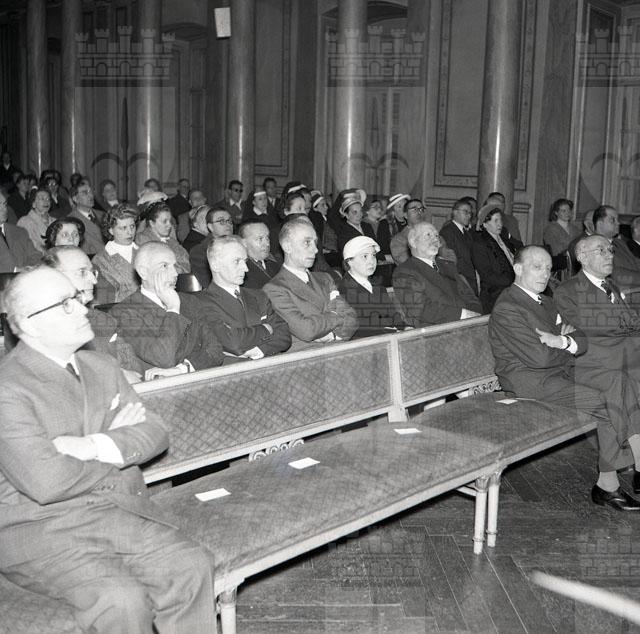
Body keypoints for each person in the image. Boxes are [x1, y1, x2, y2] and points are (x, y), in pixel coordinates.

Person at [0, 266, 216, 632]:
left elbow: (156, 433)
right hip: (40, 527)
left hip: (113, 511)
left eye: (77, 297)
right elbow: (48, 482)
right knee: (121, 600)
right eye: (65, 304)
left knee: (190, 565)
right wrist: (118, 446)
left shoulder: (100, 364)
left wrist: (94, 444)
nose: (83, 307)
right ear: (29, 324)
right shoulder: (8, 387)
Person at [489, 245, 640, 511]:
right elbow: (539, 359)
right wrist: (567, 345)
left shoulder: (546, 302)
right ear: (518, 268)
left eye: (548, 268)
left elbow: (581, 338)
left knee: (617, 380)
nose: (545, 274)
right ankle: (609, 484)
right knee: (605, 402)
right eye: (537, 267)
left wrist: (562, 341)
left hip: (558, 373)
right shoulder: (508, 307)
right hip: (531, 382)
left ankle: (617, 475)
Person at [554, 235, 640, 504]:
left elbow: (633, 323)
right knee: (622, 384)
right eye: (601, 250)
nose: (609, 254)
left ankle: (610, 480)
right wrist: (621, 326)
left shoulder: (612, 287)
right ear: (582, 257)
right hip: (589, 364)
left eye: (611, 250)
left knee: (626, 383)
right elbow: (589, 329)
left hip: (619, 360)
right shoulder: (568, 290)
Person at [109, 241, 224, 378]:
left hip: (198, 380)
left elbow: (216, 350)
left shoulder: (190, 301)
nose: (175, 273)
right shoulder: (124, 312)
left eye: (175, 266)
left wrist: (183, 368)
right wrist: (173, 309)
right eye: (164, 266)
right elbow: (163, 358)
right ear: (143, 272)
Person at [41, 246, 144, 383]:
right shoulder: (41, 328)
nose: (94, 280)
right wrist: (116, 375)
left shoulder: (103, 320)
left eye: (92, 272)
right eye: (82, 272)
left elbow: (134, 370)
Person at [264, 218, 358, 348]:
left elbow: (352, 318)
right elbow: (306, 330)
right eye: (307, 242)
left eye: (315, 243)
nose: (315, 250)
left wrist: (333, 336)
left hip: (337, 349)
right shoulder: (274, 288)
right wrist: (336, 315)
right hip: (307, 356)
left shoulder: (325, 279)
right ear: (287, 247)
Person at [195, 235, 290, 359]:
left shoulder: (259, 296)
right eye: (236, 261)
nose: (245, 269)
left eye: (245, 261)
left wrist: (259, 350)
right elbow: (232, 342)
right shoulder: (200, 302)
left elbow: (284, 336)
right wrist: (266, 328)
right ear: (215, 265)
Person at [393, 221, 481, 327]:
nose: (435, 239)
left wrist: (476, 313)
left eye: (436, 236)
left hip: (468, 323)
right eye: (428, 235)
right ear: (413, 242)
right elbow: (420, 309)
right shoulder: (405, 271)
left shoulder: (448, 265)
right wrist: (463, 314)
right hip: (436, 330)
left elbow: (469, 295)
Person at [338, 236, 407, 336]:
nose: (371, 261)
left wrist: (405, 328)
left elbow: (394, 317)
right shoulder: (343, 290)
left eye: (373, 255)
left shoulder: (378, 287)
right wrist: (395, 332)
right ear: (349, 261)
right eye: (365, 256)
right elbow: (360, 328)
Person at [472, 205, 521, 313]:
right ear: (485, 224)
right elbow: (487, 276)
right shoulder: (479, 244)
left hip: (512, 286)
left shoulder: (504, 238)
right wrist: (514, 281)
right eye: (495, 221)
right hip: (495, 292)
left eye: (500, 220)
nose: (500, 224)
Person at [92, 204, 140, 303]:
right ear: (111, 230)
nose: (130, 232)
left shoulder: (144, 252)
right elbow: (103, 299)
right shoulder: (100, 260)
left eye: (132, 226)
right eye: (123, 228)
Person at [592, 204, 640, 294]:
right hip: (617, 294)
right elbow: (614, 274)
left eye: (617, 220)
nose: (618, 223)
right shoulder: (593, 245)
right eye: (613, 220)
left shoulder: (619, 242)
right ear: (600, 224)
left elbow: (635, 261)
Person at [136, 201, 190, 274]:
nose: (169, 225)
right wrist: (177, 269)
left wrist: (180, 269)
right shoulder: (143, 240)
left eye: (170, 221)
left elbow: (187, 265)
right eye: (164, 221)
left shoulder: (172, 241)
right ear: (152, 223)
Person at [439, 198, 478, 295]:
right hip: (461, 281)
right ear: (455, 212)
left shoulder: (466, 232)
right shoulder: (448, 231)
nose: (469, 216)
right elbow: (451, 261)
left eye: (470, 213)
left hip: (471, 278)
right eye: (465, 212)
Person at [189, 207, 234, 287]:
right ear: (210, 227)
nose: (228, 224)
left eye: (229, 221)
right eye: (221, 221)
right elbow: (208, 283)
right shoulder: (200, 252)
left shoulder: (238, 246)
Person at [0, 189, 41, 271]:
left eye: (4, 204)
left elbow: (36, 255)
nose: (4, 209)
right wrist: (15, 270)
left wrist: (25, 269)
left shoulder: (20, 231)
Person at [238, 220, 282, 288]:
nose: (267, 244)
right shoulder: (240, 270)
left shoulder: (277, 262)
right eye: (260, 239)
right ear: (244, 243)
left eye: (267, 237)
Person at [68, 182, 105, 256]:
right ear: (75, 199)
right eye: (85, 193)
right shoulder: (71, 220)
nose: (91, 195)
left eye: (91, 192)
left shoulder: (103, 215)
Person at [17, 187, 54, 253]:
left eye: (48, 199)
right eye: (42, 198)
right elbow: (34, 245)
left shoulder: (55, 220)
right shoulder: (25, 221)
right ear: (33, 204)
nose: (46, 201)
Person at [389, 199, 426, 264]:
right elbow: (407, 263)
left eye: (421, 209)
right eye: (414, 209)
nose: (419, 212)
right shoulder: (399, 240)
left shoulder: (433, 235)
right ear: (405, 215)